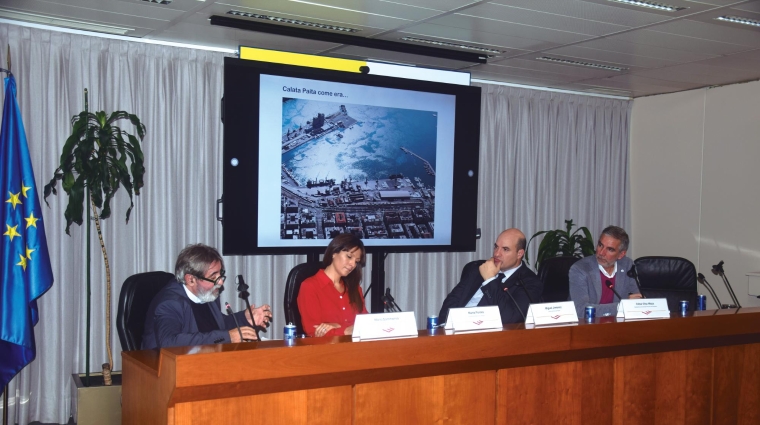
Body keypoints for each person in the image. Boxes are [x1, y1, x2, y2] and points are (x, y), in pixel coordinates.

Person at [141, 243, 272, 349]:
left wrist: (245, 318)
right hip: (165, 371)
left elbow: (218, 325)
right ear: (191, 280)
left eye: (220, 275)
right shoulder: (170, 303)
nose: (220, 282)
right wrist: (228, 337)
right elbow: (169, 342)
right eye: (213, 277)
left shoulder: (207, 294)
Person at [438, 228, 543, 325]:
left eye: (505, 249)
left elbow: (510, 318)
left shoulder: (529, 282)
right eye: (496, 247)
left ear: (519, 254)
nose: (497, 254)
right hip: (456, 330)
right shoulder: (477, 268)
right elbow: (452, 300)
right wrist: (445, 325)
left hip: (489, 336)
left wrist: (490, 280)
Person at [297, 234, 368, 337]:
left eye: (356, 261)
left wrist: (337, 326)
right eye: (349, 257)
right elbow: (313, 330)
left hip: (356, 348)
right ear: (334, 253)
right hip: (327, 350)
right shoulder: (310, 286)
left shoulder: (355, 288)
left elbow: (365, 323)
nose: (352, 264)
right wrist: (346, 330)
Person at [569, 225, 642, 318]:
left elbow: (638, 301)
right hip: (589, 326)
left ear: (621, 254)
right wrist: (622, 306)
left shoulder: (627, 265)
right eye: (600, 245)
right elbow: (580, 310)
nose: (601, 253)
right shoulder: (580, 269)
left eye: (610, 249)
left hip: (619, 325)